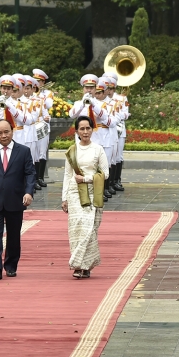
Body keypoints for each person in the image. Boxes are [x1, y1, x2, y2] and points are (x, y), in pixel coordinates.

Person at [0, 119, 36, 279]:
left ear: (12, 131)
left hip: (15, 199)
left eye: (6, 132)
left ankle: (10, 265)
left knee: (13, 235)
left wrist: (29, 192)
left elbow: (30, 173)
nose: (3, 136)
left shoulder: (23, 151)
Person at [61, 116, 109, 279]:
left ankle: (85, 264)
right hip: (74, 192)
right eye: (82, 129)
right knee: (77, 228)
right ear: (77, 132)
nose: (85, 131)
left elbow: (105, 173)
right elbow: (67, 175)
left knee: (89, 228)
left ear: (92, 129)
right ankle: (78, 265)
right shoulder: (72, 151)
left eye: (88, 128)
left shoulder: (98, 149)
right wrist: (64, 198)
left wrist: (87, 179)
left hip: (92, 192)